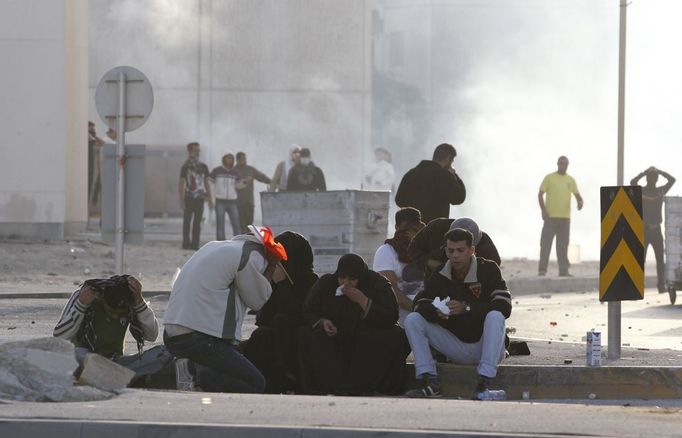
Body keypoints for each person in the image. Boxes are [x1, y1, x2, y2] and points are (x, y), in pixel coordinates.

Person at [163, 226, 288, 393]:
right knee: (255, 382)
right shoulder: (253, 255)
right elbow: (258, 300)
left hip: (172, 334)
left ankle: (191, 373)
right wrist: (272, 265)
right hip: (199, 338)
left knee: (225, 369)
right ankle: (193, 371)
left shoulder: (214, 246)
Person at [403, 228, 512, 399]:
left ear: (472, 250)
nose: (455, 256)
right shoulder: (440, 274)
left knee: (496, 316)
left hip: (486, 346)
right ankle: (431, 382)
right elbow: (420, 302)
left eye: (460, 250)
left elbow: (504, 306)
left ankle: (483, 385)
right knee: (413, 319)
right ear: (445, 251)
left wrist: (467, 308)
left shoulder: (488, 269)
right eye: (450, 251)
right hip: (456, 347)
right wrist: (436, 311)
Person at [297, 254, 408, 396]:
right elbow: (308, 310)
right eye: (342, 278)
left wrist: (363, 301)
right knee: (305, 334)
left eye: (352, 279)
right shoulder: (327, 283)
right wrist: (322, 322)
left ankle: (374, 385)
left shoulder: (377, 283)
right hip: (335, 338)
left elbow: (391, 315)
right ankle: (326, 385)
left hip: (366, 338)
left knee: (395, 336)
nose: (346, 283)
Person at [53, 275, 170, 385]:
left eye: (120, 314)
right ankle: (125, 378)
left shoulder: (131, 301)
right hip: (86, 361)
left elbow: (152, 335)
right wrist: (81, 305)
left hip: (114, 363)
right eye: (111, 312)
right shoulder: (83, 295)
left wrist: (139, 303)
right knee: (77, 354)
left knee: (164, 352)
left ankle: (113, 378)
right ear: (102, 299)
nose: (115, 317)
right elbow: (59, 338)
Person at [242, 231, 319, 393]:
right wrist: (271, 282)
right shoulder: (275, 279)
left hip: (296, 338)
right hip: (273, 342)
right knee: (260, 336)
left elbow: (300, 313)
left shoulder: (311, 282)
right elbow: (262, 318)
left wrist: (283, 285)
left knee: (282, 322)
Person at [372, 207, 425, 325]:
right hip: (400, 315)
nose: (410, 233)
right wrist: (417, 308)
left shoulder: (424, 251)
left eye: (415, 229)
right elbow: (391, 290)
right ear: (397, 228)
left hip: (424, 311)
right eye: (406, 228)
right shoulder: (386, 251)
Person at [631, 166, 676, 294]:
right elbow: (632, 182)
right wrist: (643, 172)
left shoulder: (660, 190)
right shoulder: (642, 191)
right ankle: (639, 286)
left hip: (656, 230)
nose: (653, 178)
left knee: (660, 261)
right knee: (641, 260)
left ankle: (661, 287)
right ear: (647, 177)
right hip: (644, 229)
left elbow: (672, 180)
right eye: (651, 176)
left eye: (654, 176)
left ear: (656, 178)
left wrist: (660, 171)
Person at [395, 143, 466, 224]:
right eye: (451, 161)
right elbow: (458, 197)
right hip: (435, 229)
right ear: (448, 159)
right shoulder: (444, 176)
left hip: (412, 228)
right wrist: (454, 175)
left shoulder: (412, 173)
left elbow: (399, 200)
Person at [408, 217, 501, 278]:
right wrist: (432, 263)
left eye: (462, 250)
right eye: (451, 250)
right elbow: (413, 248)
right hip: (431, 275)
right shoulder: (435, 228)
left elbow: (492, 271)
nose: (456, 255)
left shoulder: (486, 247)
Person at [538, 155, 583, 277]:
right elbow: (540, 194)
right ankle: (542, 270)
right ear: (557, 164)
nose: (563, 166)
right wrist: (543, 210)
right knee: (545, 244)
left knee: (562, 246)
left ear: (567, 165)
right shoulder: (549, 178)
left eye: (565, 164)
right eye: (561, 163)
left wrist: (580, 202)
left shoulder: (570, 180)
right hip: (550, 217)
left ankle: (563, 271)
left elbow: (577, 195)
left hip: (565, 218)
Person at [179, 142, 212, 250]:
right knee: (187, 222)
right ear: (189, 151)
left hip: (200, 198)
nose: (197, 152)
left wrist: (210, 197)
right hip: (189, 198)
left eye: (198, 150)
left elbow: (206, 182)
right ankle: (186, 243)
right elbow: (181, 183)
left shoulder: (203, 166)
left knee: (197, 222)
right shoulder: (185, 167)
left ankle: (195, 244)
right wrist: (182, 200)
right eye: (195, 150)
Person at [234, 151, 272, 234]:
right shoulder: (233, 171)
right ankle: (240, 242)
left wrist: (271, 182)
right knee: (241, 225)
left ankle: (248, 241)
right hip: (238, 203)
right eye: (242, 159)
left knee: (249, 225)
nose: (244, 161)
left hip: (249, 202)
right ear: (237, 160)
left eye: (245, 159)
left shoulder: (250, 169)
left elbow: (261, 177)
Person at [209, 153, 241, 240]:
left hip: (232, 201)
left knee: (236, 223)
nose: (230, 160)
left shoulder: (235, 172)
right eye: (228, 158)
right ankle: (220, 243)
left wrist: (244, 183)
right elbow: (210, 184)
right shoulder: (216, 171)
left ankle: (237, 242)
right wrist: (210, 197)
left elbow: (238, 186)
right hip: (220, 201)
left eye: (231, 158)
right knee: (220, 224)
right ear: (223, 159)